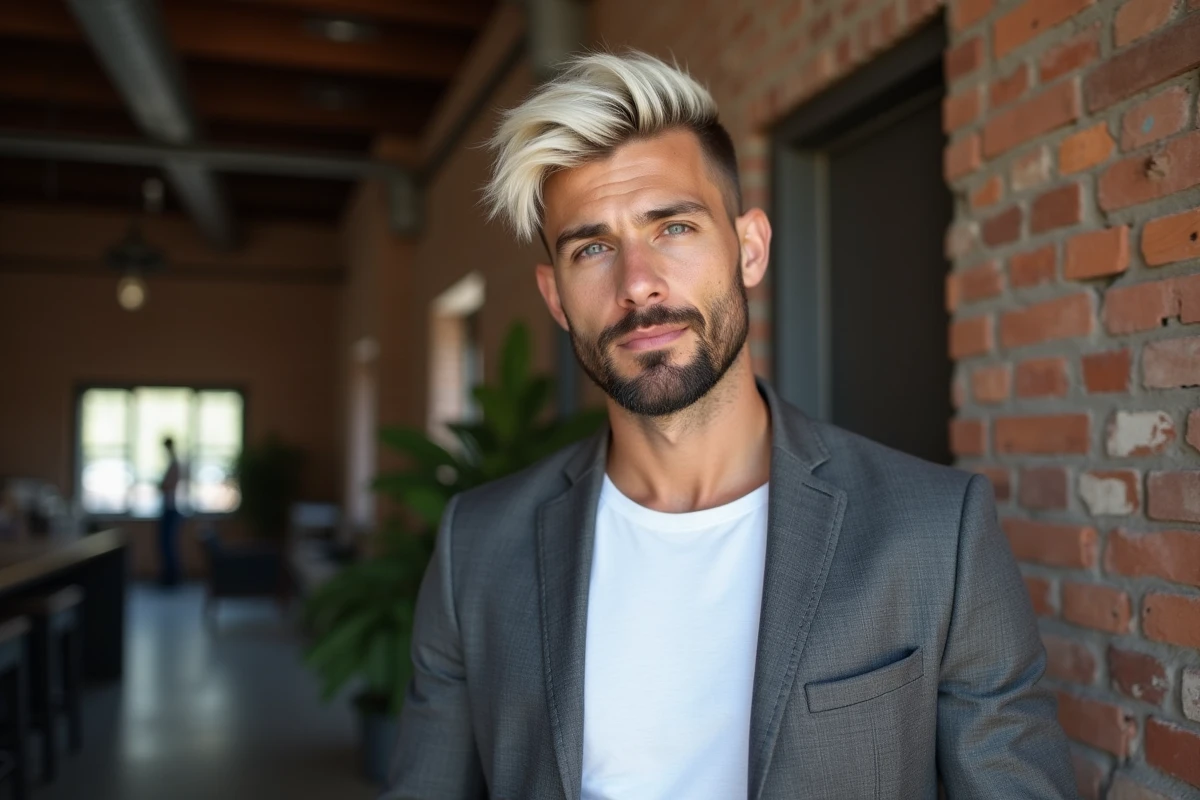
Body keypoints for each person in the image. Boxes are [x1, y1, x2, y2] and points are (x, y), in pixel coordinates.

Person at [385, 52, 1074, 799]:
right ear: (556, 297)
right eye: (592, 247)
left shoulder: (937, 531)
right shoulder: (478, 548)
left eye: (673, 227)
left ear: (748, 248)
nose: (637, 282)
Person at [158, 436, 182, 587]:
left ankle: (172, 577)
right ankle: (170, 576)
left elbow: (168, 486)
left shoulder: (174, 464)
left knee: (168, 545)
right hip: (168, 508)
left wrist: (162, 485)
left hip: (171, 509)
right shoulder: (172, 463)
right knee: (166, 544)